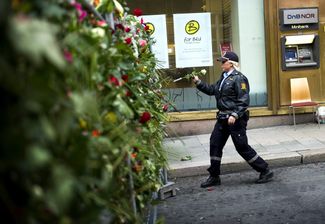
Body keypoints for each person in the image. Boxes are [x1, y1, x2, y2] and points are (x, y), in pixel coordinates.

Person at [193, 51, 273, 188]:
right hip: (223, 118)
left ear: (231, 63)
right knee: (215, 143)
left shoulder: (239, 78)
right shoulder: (224, 77)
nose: (221, 64)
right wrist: (199, 83)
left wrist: (235, 115)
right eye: (221, 61)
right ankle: (214, 176)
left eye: (223, 61)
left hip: (236, 119)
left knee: (241, 146)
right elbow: (213, 90)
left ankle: (265, 170)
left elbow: (244, 100)